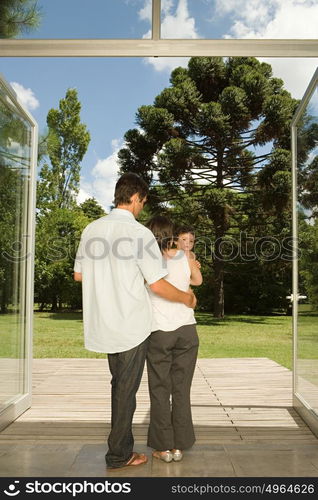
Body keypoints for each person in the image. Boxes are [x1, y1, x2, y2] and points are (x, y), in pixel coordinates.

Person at [73, 173, 196, 470]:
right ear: (137, 197)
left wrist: (111, 273)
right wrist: (187, 298)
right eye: (143, 201)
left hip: (104, 323)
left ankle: (120, 448)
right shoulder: (140, 234)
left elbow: (79, 275)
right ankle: (118, 454)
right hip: (131, 326)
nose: (143, 207)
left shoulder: (91, 230)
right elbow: (157, 285)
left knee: (119, 386)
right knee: (126, 391)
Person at [145, 215, 203, 463]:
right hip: (188, 331)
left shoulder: (147, 260)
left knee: (160, 389)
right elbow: (195, 284)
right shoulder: (186, 258)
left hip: (160, 332)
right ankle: (180, 444)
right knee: (181, 389)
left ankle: (163, 447)